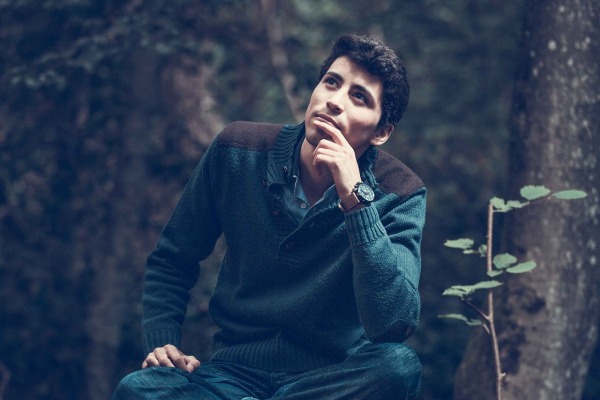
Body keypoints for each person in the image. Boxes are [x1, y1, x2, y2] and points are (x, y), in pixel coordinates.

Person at [112, 33, 426, 400]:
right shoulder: (237, 150)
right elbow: (172, 257)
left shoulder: (401, 192)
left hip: (327, 382)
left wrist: (356, 199)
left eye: (359, 97)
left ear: (381, 132)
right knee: (138, 389)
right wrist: (162, 341)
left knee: (398, 367)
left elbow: (393, 323)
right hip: (229, 376)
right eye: (331, 83)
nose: (334, 102)